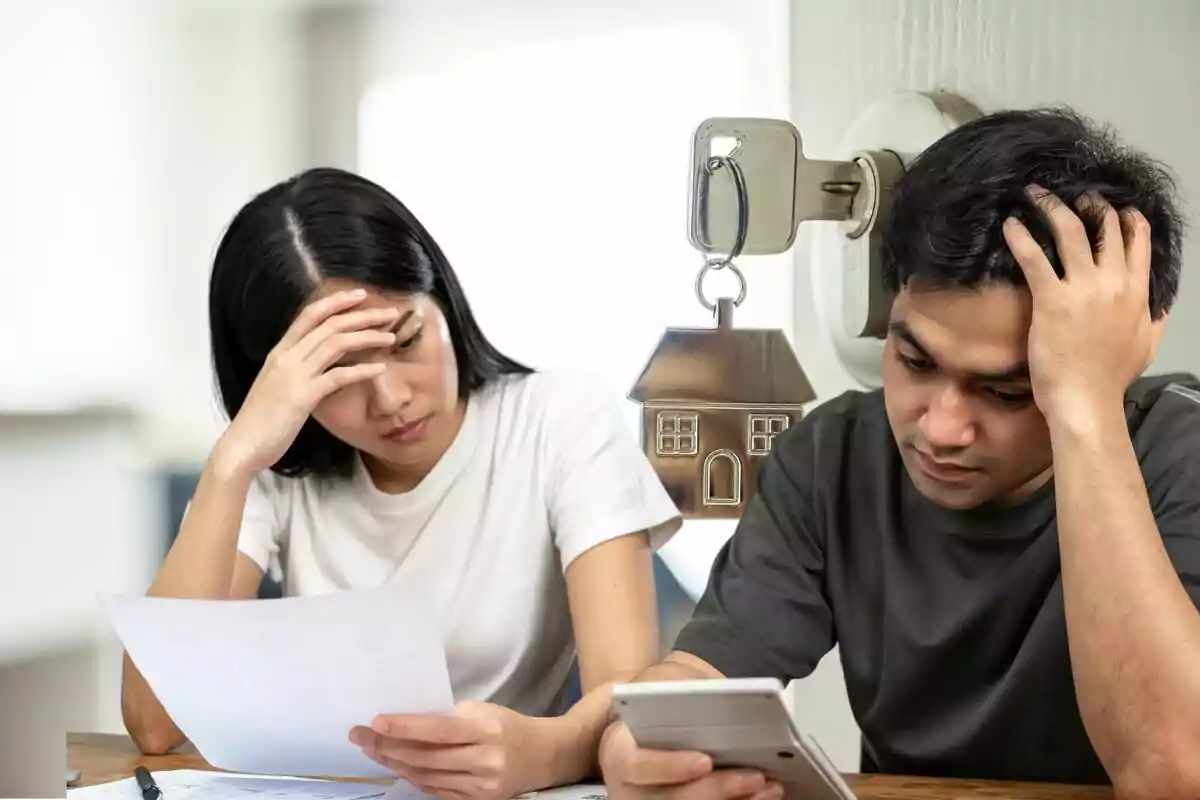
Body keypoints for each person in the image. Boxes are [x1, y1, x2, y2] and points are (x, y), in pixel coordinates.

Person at [598, 107, 1200, 800]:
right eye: (914, 359)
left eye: (1007, 393)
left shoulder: (1176, 455)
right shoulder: (834, 457)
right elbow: (701, 677)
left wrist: (1087, 411)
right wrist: (635, 745)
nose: (941, 428)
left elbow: (1173, 773)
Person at [120, 167, 682, 800]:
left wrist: (544, 753)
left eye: (406, 338)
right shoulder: (278, 467)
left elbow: (627, 698)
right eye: (337, 375)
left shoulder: (560, 419)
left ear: (442, 297)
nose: (390, 400)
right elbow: (154, 724)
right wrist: (231, 463)